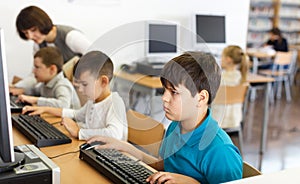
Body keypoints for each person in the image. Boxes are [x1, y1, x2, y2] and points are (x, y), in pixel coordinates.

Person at [85, 52, 243, 184]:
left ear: (201, 98)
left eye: (173, 92)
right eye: (164, 90)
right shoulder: (176, 126)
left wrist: (192, 183)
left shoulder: (220, 151)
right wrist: (124, 147)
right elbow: (164, 166)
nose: (164, 98)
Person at [22, 51, 128, 141]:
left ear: (103, 81)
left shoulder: (115, 102)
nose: (80, 90)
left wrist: (79, 132)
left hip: (113, 157)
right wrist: (45, 109)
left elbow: (114, 134)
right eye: (79, 85)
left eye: (85, 84)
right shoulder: (93, 100)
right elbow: (76, 114)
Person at [12, 5, 91, 94]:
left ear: (42, 24)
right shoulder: (38, 45)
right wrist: (16, 86)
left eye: (33, 30)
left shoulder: (70, 37)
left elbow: (99, 58)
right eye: (26, 33)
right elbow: (36, 74)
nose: (30, 36)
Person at [212, 45, 249, 129]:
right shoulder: (242, 79)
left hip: (216, 120)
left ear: (228, 59)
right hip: (235, 120)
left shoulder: (219, 79)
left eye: (222, 57)